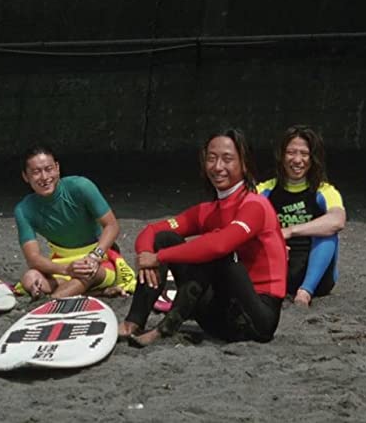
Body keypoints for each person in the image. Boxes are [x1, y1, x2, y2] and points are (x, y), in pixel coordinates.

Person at [119, 129, 286, 346]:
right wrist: (146, 255)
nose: (218, 167)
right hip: (219, 316)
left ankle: (165, 328)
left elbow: (220, 245)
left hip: (256, 320)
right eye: (211, 158)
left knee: (218, 251)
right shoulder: (207, 210)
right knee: (164, 238)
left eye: (227, 159)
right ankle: (133, 322)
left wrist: (159, 257)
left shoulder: (255, 206)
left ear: (244, 164)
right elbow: (151, 230)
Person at [14, 145, 136, 299]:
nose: (44, 177)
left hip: (98, 258)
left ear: (57, 168)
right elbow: (33, 259)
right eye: (36, 172)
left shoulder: (80, 187)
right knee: (30, 278)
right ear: (25, 176)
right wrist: (66, 269)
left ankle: (54, 299)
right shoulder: (24, 210)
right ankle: (96, 292)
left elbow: (112, 226)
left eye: (49, 169)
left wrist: (94, 257)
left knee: (85, 274)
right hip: (63, 262)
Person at [258, 125, 345, 307]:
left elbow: (337, 220)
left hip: (316, 275)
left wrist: (289, 231)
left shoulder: (324, 191)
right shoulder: (265, 190)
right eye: (291, 153)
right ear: (281, 156)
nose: (297, 160)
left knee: (328, 232)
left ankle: (305, 292)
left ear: (312, 159)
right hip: (278, 268)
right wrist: (270, 240)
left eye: (304, 154)